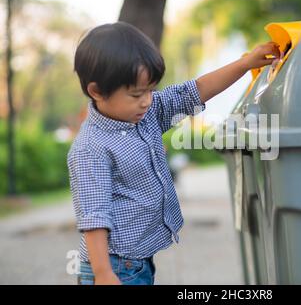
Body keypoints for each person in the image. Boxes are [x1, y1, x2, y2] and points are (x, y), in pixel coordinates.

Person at [68, 22, 280, 285]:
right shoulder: (91, 148)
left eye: (150, 90)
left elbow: (195, 91)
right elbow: (94, 216)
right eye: (136, 94)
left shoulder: (146, 113)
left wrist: (246, 63)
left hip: (135, 262)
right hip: (114, 267)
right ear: (96, 91)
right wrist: (103, 274)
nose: (146, 100)